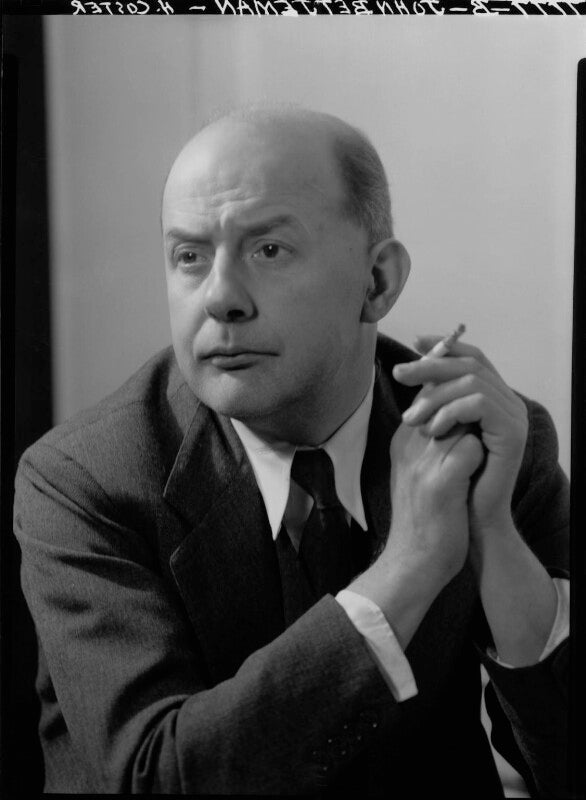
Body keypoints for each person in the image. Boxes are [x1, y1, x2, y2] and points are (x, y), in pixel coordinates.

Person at [14, 106, 569, 796]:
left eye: (268, 250)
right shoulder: (83, 479)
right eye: (189, 257)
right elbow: (155, 777)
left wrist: (493, 535)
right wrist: (411, 566)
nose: (220, 298)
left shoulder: (482, 437)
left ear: (377, 282)